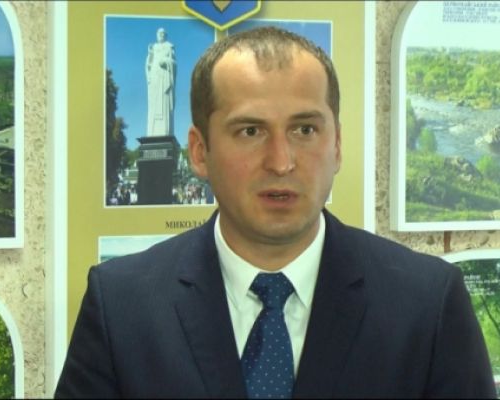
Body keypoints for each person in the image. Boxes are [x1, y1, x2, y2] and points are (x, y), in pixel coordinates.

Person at [55, 27, 496, 398]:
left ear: (337, 145)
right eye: (250, 131)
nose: (281, 162)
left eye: (304, 129)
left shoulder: (427, 303)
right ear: (200, 151)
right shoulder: (121, 305)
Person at [146, 27, 176, 137]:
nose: (161, 35)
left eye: (163, 33)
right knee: (153, 104)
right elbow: (148, 65)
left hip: (164, 79)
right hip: (154, 78)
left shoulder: (169, 46)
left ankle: (164, 131)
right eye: (159, 33)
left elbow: (174, 62)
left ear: (166, 35)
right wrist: (150, 55)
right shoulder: (153, 47)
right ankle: (152, 132)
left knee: (164, 103)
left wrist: (166, 62)